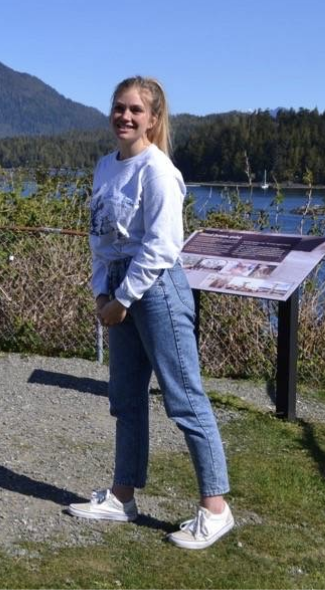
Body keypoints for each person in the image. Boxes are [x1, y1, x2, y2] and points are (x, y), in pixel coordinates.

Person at [66, 76, 234, 549]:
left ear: (153, 119)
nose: (125, 116)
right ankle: (122, 496)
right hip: (119, 288)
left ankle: (216, 508)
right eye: (119, 107)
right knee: (125, 397)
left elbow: (162, 246)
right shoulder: (105, 167)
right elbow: (100, 238)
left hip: (156, 289)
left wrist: (123, 299)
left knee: (184, 397)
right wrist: (102, 293)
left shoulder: (158, 170)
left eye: (136, 110)